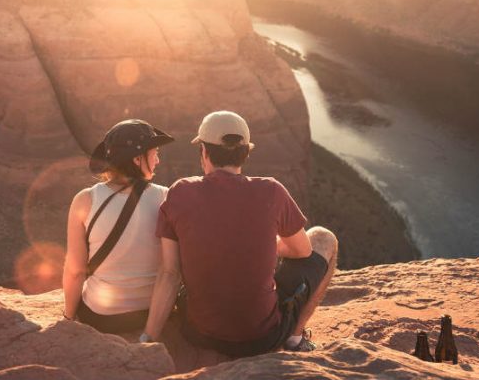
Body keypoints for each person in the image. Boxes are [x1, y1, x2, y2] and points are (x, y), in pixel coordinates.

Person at [141, 111, 338, 356]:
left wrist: (147, 339)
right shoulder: (272, 191)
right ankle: (295, 339)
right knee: (323, 237)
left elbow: (170, 272)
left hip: (198, 333)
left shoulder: (179, 192)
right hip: (261, 339)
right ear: (246, 152)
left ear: (204, 152)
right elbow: (303, 251)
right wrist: (269, 245)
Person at [62, 118, 175, 333]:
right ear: (137, 159)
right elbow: (171, 269)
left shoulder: (85, 200)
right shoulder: (167, 197)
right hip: (150, 312)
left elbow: (75, 271)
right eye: (155, 153)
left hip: (101, 316)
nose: (158, 160)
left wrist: (68, 317)